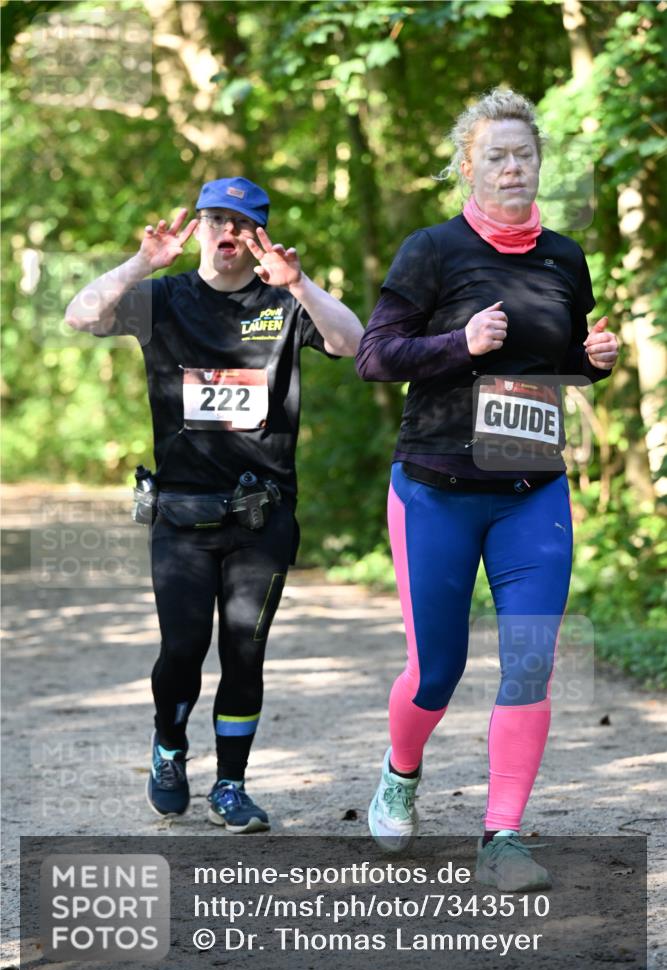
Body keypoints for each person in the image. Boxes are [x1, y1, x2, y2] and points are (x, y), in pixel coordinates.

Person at [356, 89, 619, 889]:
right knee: (435, 671)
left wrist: (591, 363)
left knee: (530, 661)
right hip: (435, 487)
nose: (512, 168)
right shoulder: (432, 250)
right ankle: (401, 772)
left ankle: (501, 835)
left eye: (523, 155)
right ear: (467, 167)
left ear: (539, 164)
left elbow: (553, 365)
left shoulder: (564, 258)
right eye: (496, 156)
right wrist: (458, 342)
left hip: (531, 489)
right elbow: (374, 356)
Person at [65, 176, 363, 831]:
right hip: (181, 515)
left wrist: (300, 285)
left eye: (243, 222)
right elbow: (79, 317)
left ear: (258, 235)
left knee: (243, 651)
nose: (228, 232)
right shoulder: (163, 299)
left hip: (262, 516)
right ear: (198, 228)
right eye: (217, 220)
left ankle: (231, 784)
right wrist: (141, 263)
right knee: (182, 648)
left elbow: (353, 343)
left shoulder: (282, 302)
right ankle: (169, 748)